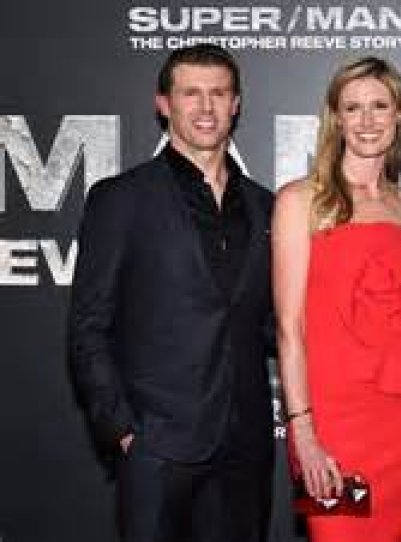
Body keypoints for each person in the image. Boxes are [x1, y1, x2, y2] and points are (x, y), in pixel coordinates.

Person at [67, 44, 274, 542]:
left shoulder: (265, 205)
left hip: (245, 446)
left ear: (236, 104)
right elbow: (89, 325)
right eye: (190, 93)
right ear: (163, 104)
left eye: (218, 93)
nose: (206, 107)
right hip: (157, 446)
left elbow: (270, 322)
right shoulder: (121, 198)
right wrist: (124, 429)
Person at [272, 56, 401, 542]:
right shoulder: (301, 200)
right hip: (332, 419)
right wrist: (303, 431)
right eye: (352, 107)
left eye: (379, 106)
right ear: (336, 119)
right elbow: (290, 327)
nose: (367, 120)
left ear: (400, 115)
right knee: (337, 533)